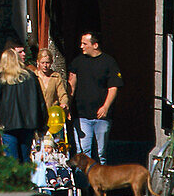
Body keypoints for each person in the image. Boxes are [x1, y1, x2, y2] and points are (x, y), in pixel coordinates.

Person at [68, 31, 123, 165]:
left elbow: (113, 87)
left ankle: (100, 184)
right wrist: (68, 106)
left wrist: (105, 107)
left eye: (84, 44)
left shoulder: (109, 62)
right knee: (83, 153)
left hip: (101, 117)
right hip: (82, 116)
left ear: (95, 45)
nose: (81, 46)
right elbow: (71, 86)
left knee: (100, 153)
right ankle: (84, 185)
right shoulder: (78, 62)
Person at [0, 48, 46, 163]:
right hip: (28, 125)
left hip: (8, 125)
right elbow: (40, 102)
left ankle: (15, 180)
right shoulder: (30, 77)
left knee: (12, 160)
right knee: (25, 158)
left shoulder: (1, 79)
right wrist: (42, 125)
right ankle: (26, 180)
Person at [35, 49, 69, 114]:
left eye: (47, 63)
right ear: (38, 62)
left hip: (52, 114)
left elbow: (62, 94)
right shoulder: (34, 77)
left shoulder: (56, 77)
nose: (45, 65)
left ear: (51, 62)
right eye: (42, 63)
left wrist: (64, 103)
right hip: (37, 114)